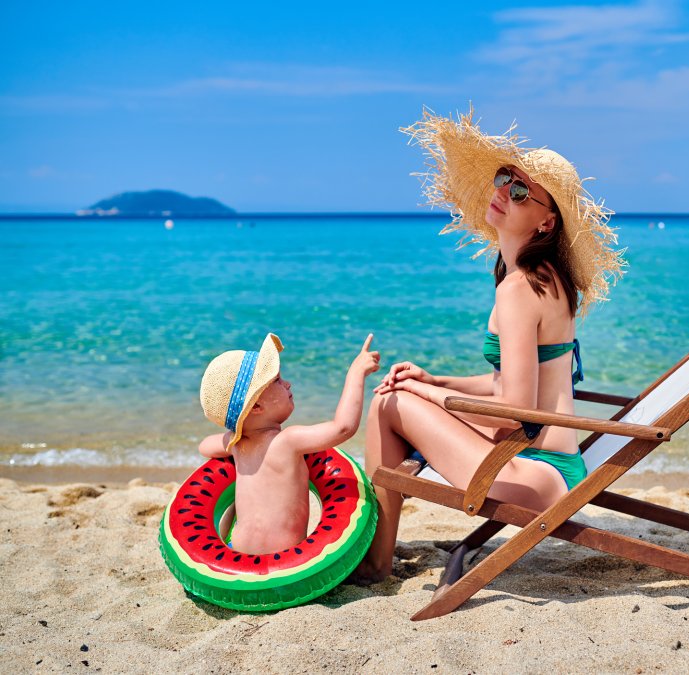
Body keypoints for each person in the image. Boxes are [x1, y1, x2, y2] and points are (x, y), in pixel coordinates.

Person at [354, 110, 625, 581]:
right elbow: (514, 385)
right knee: (404, 395)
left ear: (546, 222)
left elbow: (516, 410)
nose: (504, 192)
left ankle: (376, 562)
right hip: (551, 464)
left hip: (533, 474)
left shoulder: (520, 290)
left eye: (521, 191)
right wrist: (438, 380)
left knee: (388, 404)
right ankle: (377, 551)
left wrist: (427, 396)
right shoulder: (543, 280)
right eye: (505, 179)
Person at [198, 332, 380, 555]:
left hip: (238, 555)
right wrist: (356, 373)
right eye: (276, 380)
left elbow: (204, 446)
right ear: (255, 407)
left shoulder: (236, 445)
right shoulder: (287, 441)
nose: (287, 383)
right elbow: (343, 428)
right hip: (285, 563)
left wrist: (232, 436)